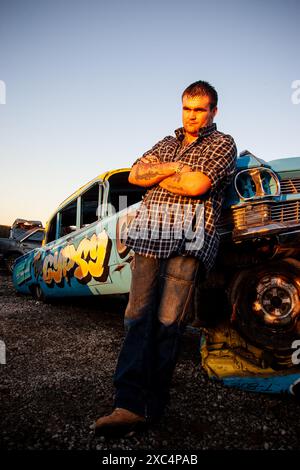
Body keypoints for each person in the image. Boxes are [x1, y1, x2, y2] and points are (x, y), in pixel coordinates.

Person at [94, 80, 237, 436]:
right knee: (136, 319)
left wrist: (160, 174)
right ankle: (127, 405)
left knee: (167, 325)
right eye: (187, 108)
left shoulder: (223, 143)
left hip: (189, 239)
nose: (192, 116)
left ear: (213, 111)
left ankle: (150, 407)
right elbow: (135, 174)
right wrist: (175, 170)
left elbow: (198, 186)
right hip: (147, 236)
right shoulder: (167, 141)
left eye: (200, 109)